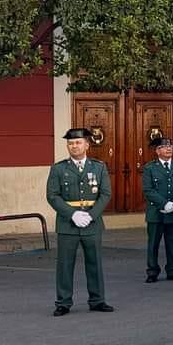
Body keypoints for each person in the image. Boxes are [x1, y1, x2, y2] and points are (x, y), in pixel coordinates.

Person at [47, 128, 114, 316]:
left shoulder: (98, 167)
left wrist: (91, 215)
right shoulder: (59, 168)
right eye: (70, 143)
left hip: (92, 223)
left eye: (77, 143)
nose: (74, 146)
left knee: (95, 263)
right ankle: (63, 302)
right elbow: (52, 196)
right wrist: (73, 214)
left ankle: (97, 300)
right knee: (65, 265)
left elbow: (105, 194)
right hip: (68, 223)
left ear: (87, 144)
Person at [142, 136, 173, 283]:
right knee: (153, 243)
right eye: (164, 147)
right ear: (157, 151)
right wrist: (164, 204)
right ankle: (152, 271)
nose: (168, 149)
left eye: (170, 147)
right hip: (156, 212)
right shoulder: (150, 168)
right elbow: (148, 190)